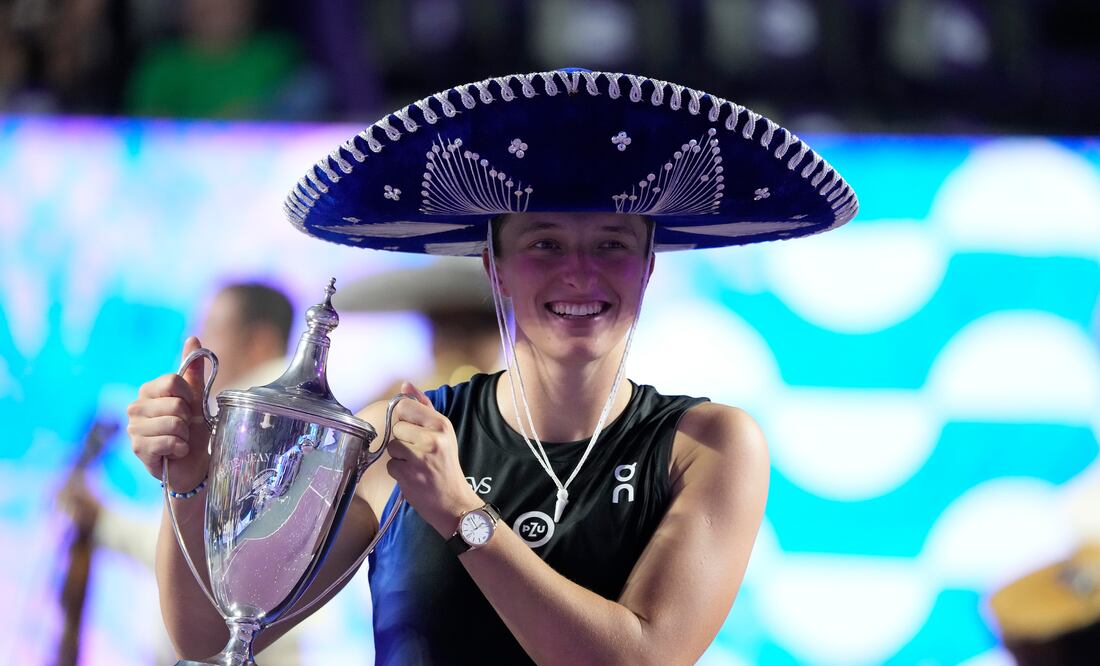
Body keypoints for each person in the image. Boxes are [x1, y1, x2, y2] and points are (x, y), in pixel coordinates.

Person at [127, 68, 858, 663]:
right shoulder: (401, 436)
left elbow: (640, 658)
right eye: (544, 244)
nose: (580, 273)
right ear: (495, 268)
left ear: (647, 265)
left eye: (611, 244)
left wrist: (463, 515)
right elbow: (214, 634)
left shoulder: (709, 445)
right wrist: (188, 481)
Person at [62, 281, 305, 665]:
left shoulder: (261, 420)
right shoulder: (273, 421)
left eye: (211, 330)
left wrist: (104, 520)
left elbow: (213, 558)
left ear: (259, 343)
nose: (195, 344)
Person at [334, 257, 501, 395]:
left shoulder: (511, 405)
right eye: (442, 328)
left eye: (471, 328)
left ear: (501, 333)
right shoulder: (401, 397)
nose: (455, 345)